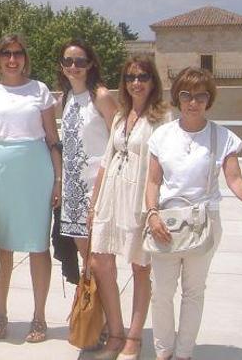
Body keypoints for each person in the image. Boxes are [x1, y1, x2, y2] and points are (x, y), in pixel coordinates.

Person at [145, 67, 242, 360]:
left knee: (194, 292)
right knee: (162, 292)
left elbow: (234, 179)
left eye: (201, 96)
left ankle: (184, 354)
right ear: (178, 97)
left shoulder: (223, 137)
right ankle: (163, 352)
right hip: (166, 223)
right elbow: (153, 181)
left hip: (205, 224)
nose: (193, 102)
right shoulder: (162, 135)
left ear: (209, 99)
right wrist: (152, 214)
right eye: (186, 95)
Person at [0, 34, 61, 343]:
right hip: (0, 173)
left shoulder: (40, 91)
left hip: (36, 172)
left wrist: (58, 179)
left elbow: (53, 138)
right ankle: (1, 312)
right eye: (6, 54)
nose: (12, 59)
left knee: (39, 246)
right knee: (4, 246)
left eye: (18, 53)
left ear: (25, 57)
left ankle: (39, 316)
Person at [88, 56, 169, 360]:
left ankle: (134, 337)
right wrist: (93, 205)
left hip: (139, 199)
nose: (137, 82)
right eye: (131, 77)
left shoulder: (162, 117)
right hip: (111, 195)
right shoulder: (121, 116)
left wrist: (155, 207)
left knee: (140, 267)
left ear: (153, 81)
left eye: (143, 76)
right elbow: (105, 163)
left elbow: (163, 166)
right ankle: (116, 331)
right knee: (99, 262)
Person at [57, 40, 116, 260]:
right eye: (68, 61)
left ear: (90, 64)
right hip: (73, 194)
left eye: (80, 61)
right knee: (87, 262)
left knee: (103, 262)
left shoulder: (100, 96)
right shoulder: (67, 97)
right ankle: (90, 297)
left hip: (96, 190)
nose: (74, 66)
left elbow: (119, 142)